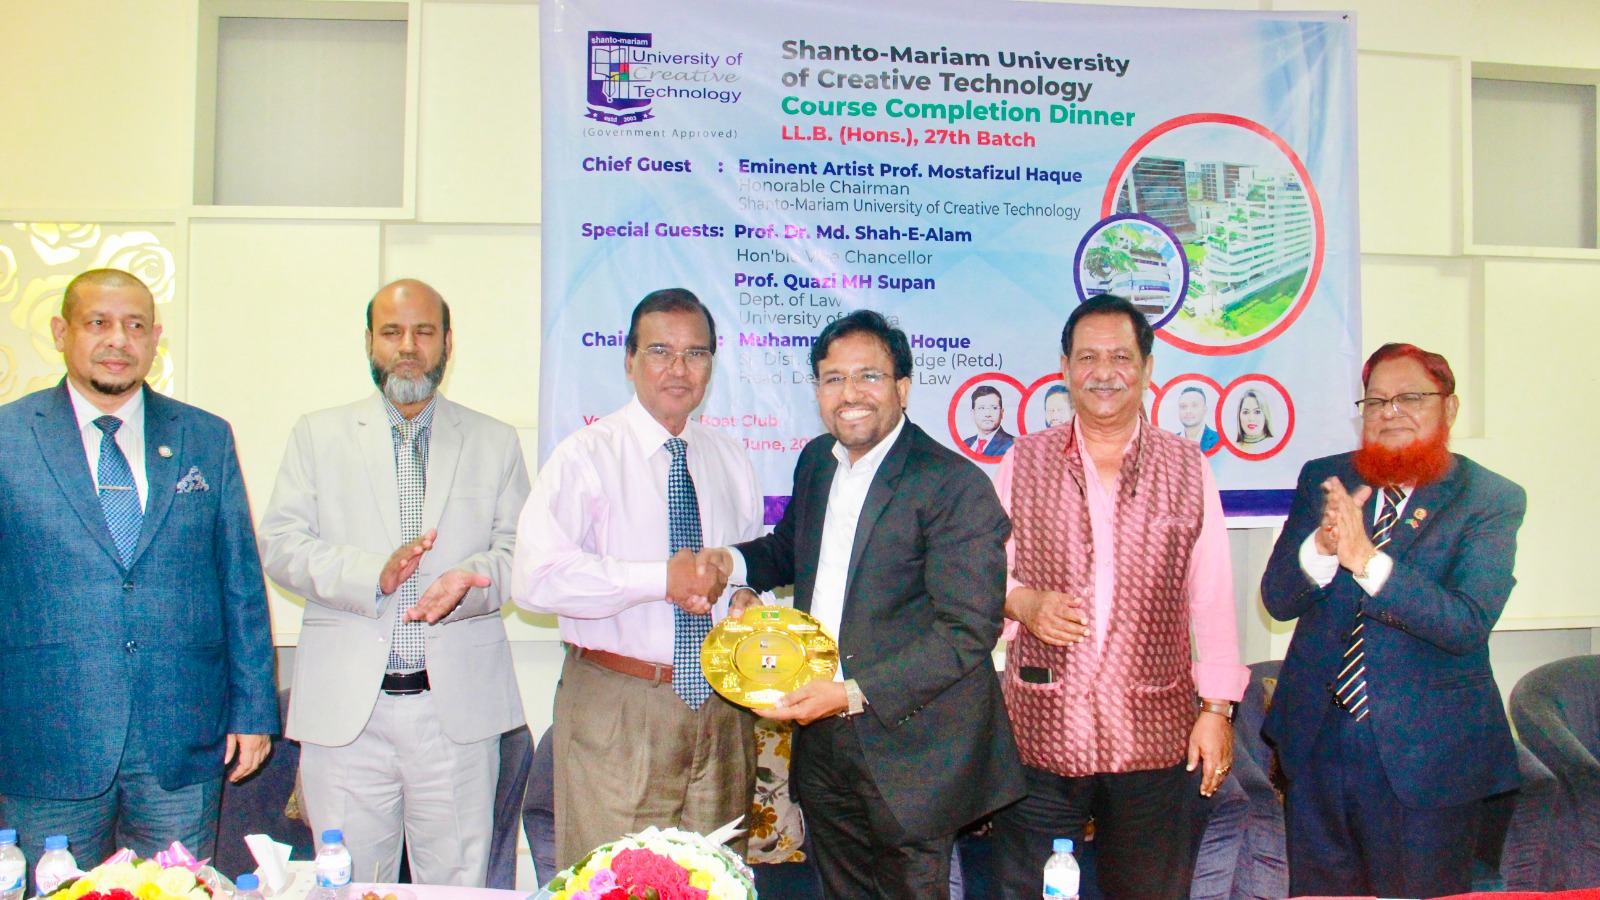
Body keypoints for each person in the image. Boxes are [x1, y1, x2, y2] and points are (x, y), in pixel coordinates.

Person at [699, 310, 1024, 899]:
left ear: (903, 387)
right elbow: (789, 549)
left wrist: (849, 693)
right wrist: (731, 565)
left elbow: (968, 630)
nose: (849, 394)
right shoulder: (816, 463)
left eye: (868, 376)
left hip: (913, 750)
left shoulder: (953, 484)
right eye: (833, 379)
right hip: (822, 742)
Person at [0, 268, 277, 867]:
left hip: (181, 736)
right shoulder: (8, 437)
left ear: (155, 339)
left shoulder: (205, 437)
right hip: (44, 739)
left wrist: (254, 710)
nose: (117, 340)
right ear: (61, 332)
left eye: (134, 326)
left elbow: (240, 583)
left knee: (177, 889)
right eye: (98, 323)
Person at [258, 279, 529, 886]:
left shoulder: (494, 440)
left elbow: (519, 553)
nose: (408, 347)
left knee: (455, 886)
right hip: (348, 712)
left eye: (424, 332)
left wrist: (471, 582)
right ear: (369, 342)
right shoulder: (318, 435)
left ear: (448, 342)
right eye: (392, 332)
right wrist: (370, 575)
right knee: (348, 885)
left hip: (455, 714)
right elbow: (280, 544)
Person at [988, 294, 1248, 900]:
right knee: (1028, 891)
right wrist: (1023, 603)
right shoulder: (1022, 461)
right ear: (1064, 368)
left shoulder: (1188, 467)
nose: (1103, 372)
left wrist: (1216, 710)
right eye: (1087, 358)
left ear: (1147, 368)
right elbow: (983, 575)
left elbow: (1210, 596)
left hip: (1153, 732)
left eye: (1120, 357)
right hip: (1042, 729)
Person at [1260, 343, 1524, 898]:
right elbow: (1278, 600)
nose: (1390, 412)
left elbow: (1465, 622)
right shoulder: (1326, 478)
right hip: (1317, 740)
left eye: (1411, 398)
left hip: (1427, 758)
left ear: (1449, 408)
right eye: (1376, 400)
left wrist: (1366, 560)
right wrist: (1321, 548)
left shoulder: (1489, 499)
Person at [512, 288, 762, 871]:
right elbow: (534, 578)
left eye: (695, 354)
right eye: (659, 352)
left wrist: (748, 598)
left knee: (716, 877)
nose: (679, 369)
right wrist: (658, 580)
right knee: (617, 879)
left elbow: (747, 567)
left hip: (723, 708)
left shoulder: (731, 459)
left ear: (711, 366)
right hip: (619, 705)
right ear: (629, 361)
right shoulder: (585, 456)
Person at [962, 384, 1014, 456]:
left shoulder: (1013, 445)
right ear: (973, 413)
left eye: (994, 408)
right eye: (981, 408)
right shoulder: (966, 443)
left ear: (1002, 413)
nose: (987, 414)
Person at [1173, 385, 1220, 452]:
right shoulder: (1170, 442)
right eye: (1183, 406)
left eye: (1194, 406)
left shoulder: (1218, 439)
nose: (1188, 411)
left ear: (1205, 410)